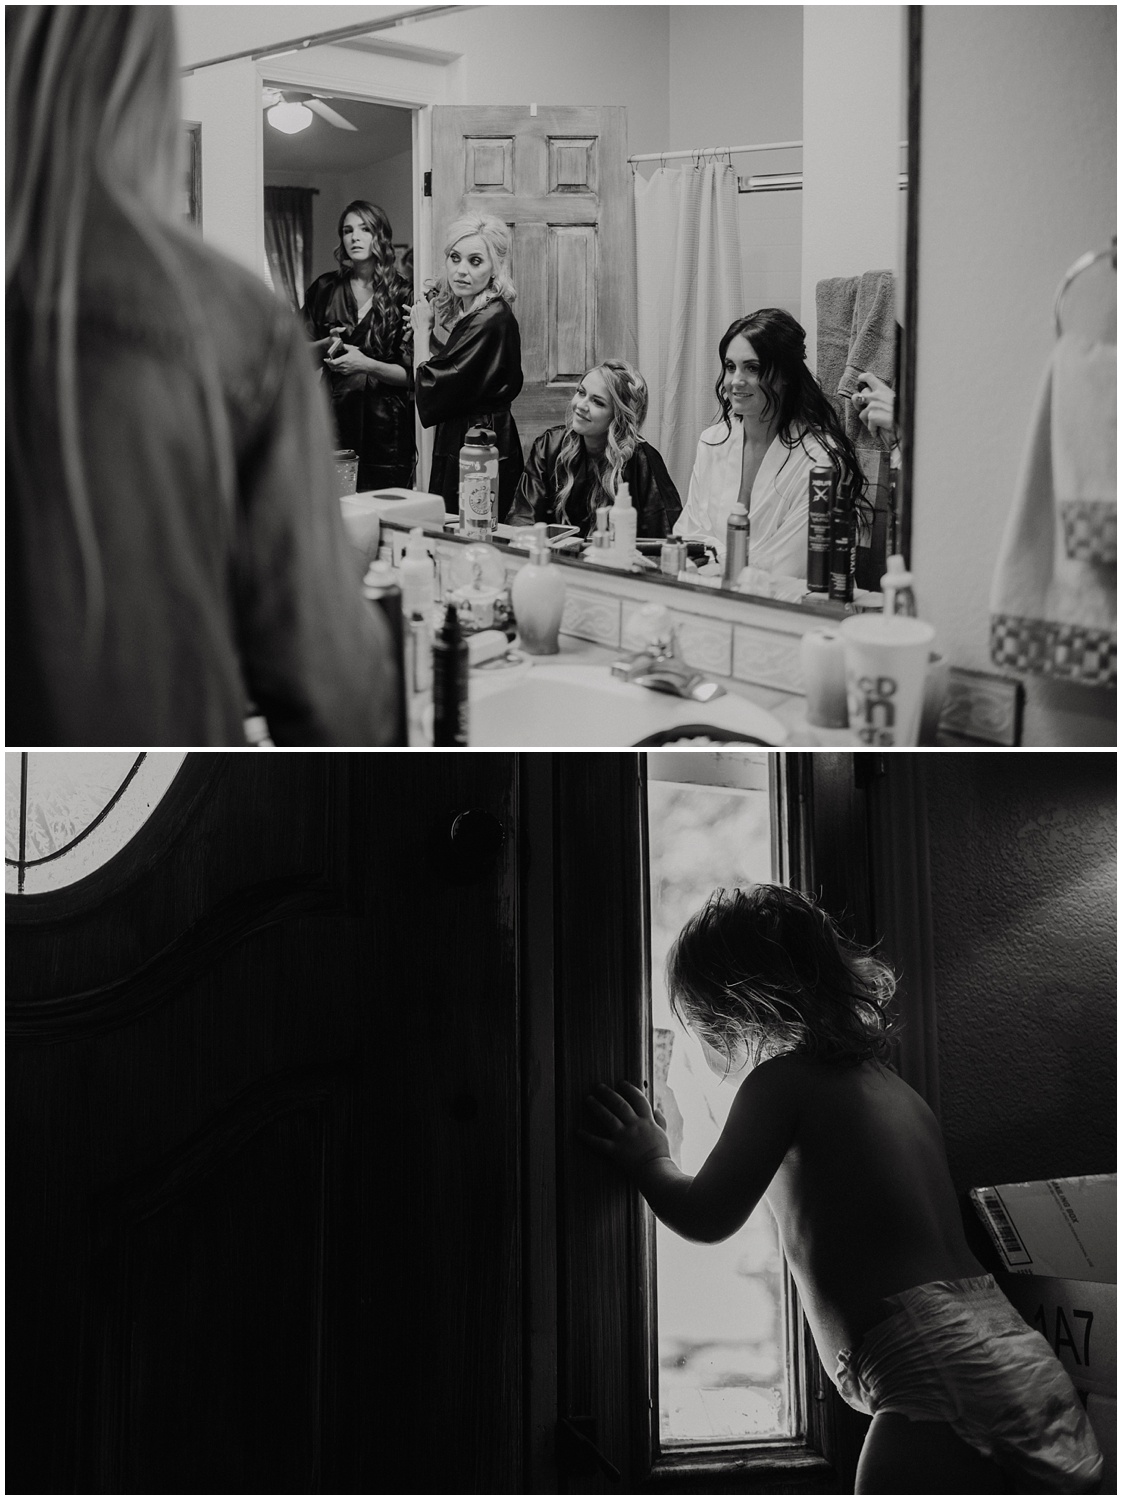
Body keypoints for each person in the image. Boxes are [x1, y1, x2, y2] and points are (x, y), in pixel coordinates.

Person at [579, 885, 1104, 1496]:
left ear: (724, 1016)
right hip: (1017, 1355)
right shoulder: (894, 1089)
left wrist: (649, 1158)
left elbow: (706, 1213)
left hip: (936, 1370)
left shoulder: (779, 1083)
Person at [6, 6, 397, 747]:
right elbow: (331, 692)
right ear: (145, 79)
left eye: (360, 230)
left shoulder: (378, 305)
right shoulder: (237, 321)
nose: (350, 239)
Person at [673, 310, 869, 579]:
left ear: (786, 375)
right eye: (730, 367)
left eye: (752, 368)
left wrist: (715, 562)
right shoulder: (712, 443)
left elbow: (790, 567)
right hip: (711, 596)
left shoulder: (819, 461)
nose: (735, 381)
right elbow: (687, 536)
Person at [410, 215, 525, 519]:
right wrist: (434, 340)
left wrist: (422, 333)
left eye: (475, 261)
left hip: (480, 441)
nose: (461, 271)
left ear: (495, 269)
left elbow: (430, 388)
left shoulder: (490, 318)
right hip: (472, 435)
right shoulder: (480, 310)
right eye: (455, 258)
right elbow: (460, 367)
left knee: (475, 529)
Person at [304, 200, 415, 492]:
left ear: (380, 236)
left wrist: (366, 365)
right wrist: (326, 343)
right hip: (334, 420)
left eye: (365, 229)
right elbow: (296, 357)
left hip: (387, 428)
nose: (354, 237)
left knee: (385, 511)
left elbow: (413, 376)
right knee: (335, 511)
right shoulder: (325, 288)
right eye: (347, 230)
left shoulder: (404, 294)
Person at [508, 359, 681, 538]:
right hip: (554, 560)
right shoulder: (549, 446)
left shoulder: (644, 461)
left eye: (598, 402)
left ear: (619, 416)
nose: (581, 405)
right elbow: (522, 519)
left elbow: (665, 536)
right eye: (581, 392)